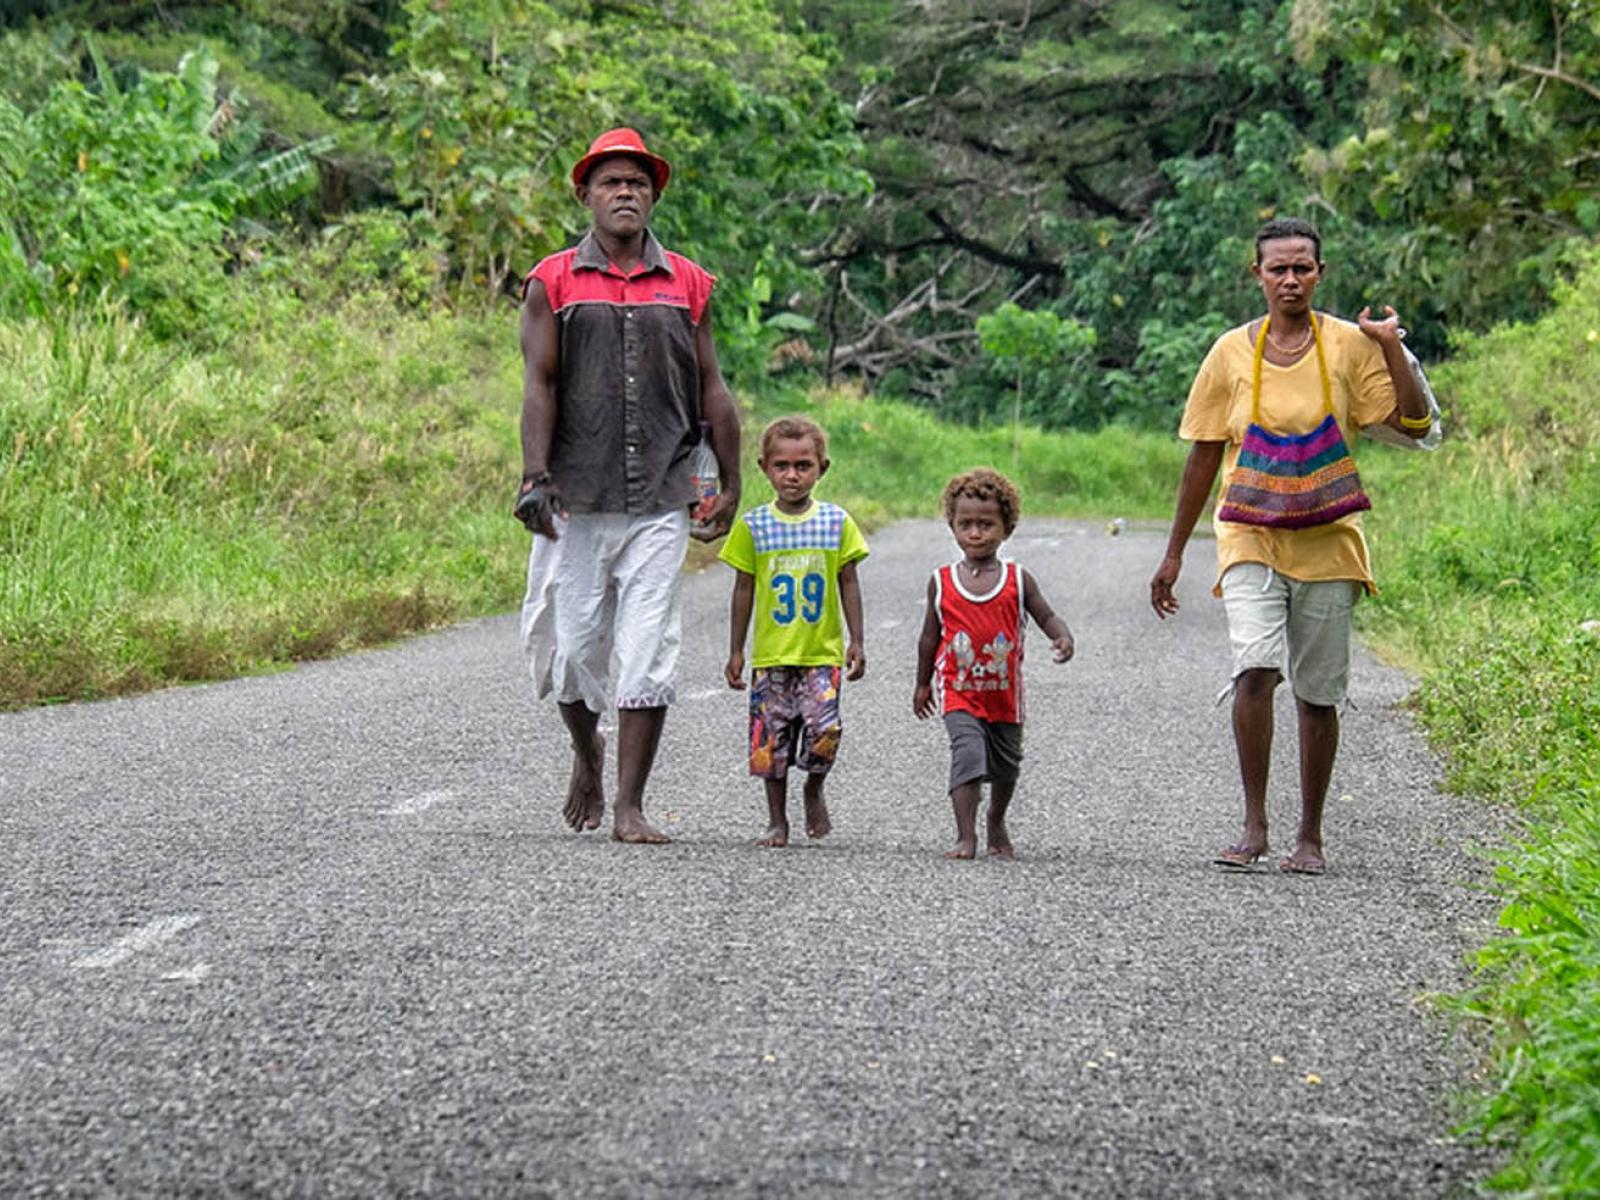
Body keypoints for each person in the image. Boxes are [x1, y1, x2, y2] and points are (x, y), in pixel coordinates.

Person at [1148, 216, 1432, 875]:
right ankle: (1254, 825)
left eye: (1303, 267)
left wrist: (1389, 344)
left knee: (1318, 691)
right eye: (1278, 268)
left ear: (1320, 275)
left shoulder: (1350, 346)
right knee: (1255, 668)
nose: (1291, 278)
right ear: (1257, 276)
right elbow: (1203, 456)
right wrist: (1173, 554)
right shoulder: (1228, 353)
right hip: (1249, 531)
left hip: (1331, 539)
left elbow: (1413, 421)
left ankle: (1310, 835)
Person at [515, 128, 741, 845]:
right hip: (575, 499)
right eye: (611, 183)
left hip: (660, 498)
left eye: (638, 184)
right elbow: (539, 384)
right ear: (585, 195)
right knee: (572, 650)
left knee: (648, 649)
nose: (625, 193)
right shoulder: (552, 280)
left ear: (653, 197)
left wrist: (730, 483)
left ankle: (629, 804)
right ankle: (588, 750)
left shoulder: (689, 282)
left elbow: (713, 387)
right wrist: (534, 476)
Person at [913, 468, 1075, 860]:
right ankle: (964, 836)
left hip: (1005, 697)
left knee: (1006, 766)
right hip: (959, 692)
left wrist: (1061, 635)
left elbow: (1045, 615)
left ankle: (996, 821)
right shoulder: (942, 581)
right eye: (965, 524)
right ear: (952, 526)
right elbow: (929, 638)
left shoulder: (1018, 580)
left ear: (1007, 527)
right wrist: (922, 684)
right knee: (967, 755)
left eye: (986, 524)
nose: (975, 533)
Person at [721, 416, 867, 847]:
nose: (792, 475)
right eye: (781, 465)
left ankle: (814, 787)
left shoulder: (837, 523)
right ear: (764, 467)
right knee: (771, 741)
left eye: (803, 465)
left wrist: (857, 639)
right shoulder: (753, 527)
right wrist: (735, 649)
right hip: (771, 657)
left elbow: (849, 581)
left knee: (825, 732)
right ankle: (776, 820)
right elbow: (743, 587)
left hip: (820, 653)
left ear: (823, 467)